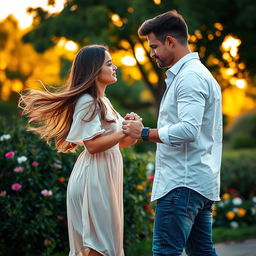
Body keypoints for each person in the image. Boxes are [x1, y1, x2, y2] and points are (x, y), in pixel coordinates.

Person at [19, 45, 140, 256]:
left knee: (107, 246)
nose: (115, 67)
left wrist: (132, 130)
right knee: (99, 247)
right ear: (94, 70)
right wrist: (123, 132)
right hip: (93, 180)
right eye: (109, 64)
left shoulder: (105, 102)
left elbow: (121, 143)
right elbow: (92, 146)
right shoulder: (87, 101)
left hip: (107, 178)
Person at [122, 10, 222, 256]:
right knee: (202, 252)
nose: (152, 53)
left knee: (166, 252)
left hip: (182, 184)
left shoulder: (189, 77)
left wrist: (143, 133)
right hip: (196, 182)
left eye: (154, 46)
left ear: (170, 41)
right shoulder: (196, 74)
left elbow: (189, 129)